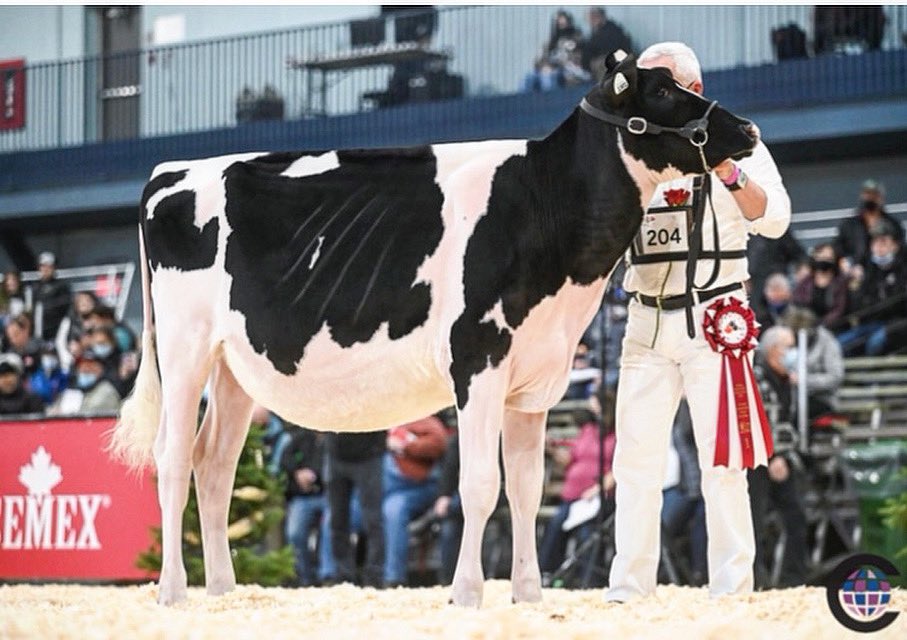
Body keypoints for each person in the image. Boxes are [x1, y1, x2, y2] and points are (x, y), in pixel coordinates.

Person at [606, 42, 792, 603]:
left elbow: (776, 220)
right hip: (645, 320)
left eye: (663, 86)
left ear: (694, 89)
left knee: (723, 461)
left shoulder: (742, 141)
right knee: (635, 462)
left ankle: (731, 588)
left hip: (717, 317)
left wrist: (729, 169)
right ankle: (629, 588)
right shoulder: (631, 148)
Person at [539, 404, 616, 581]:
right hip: (572, 496)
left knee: (587, 534)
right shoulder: (588, 430)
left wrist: (597, 489)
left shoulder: (616, 436)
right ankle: (547, 574)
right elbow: (569, 459)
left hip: (597, 498)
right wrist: (550, 448)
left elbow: (617, 469)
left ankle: (587, 581)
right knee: (555, 527)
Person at [382, 414, 447, 587]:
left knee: (394, 511)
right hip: (379, 489)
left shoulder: (425, 420)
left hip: (413, 487)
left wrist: (406, 445)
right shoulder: (385, 420)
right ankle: (336, 575)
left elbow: (439, 442)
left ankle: (393, 578)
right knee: (343, 513)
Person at [324, 430, 387, 587]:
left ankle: (374, 576)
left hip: (369, 455)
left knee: (373, 521)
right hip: (336, 454)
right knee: (337, 520)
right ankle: (343, 576)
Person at [837, 221, 907, 356]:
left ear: (895, 245)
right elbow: (858, 308)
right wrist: (855, 285)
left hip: (898, 324)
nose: (878, 248)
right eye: (875, 243)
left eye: (883, 242)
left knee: (875, 342)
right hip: (872, 323)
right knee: (840, 344)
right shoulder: (867, 270)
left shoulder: (903, 268)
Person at [280, 425, 335, 587]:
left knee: (331, 527)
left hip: (330, 496)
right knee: (295, 532)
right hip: (303, 496)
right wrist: (298, 473)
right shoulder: (301, 436)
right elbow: (285, 458)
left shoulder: (336, 438)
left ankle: (327, 575)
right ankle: (304, 577)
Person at [661, 399, 707, 587]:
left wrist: (687, 399)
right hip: (679, 486)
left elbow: (690, 433)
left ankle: (699, 576)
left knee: (702, 525)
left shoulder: (687, 410)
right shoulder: (662, 413)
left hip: (693, 485)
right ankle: (665, 577)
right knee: (659, 528)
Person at [833, 180, 904, 279]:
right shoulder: (849, 224)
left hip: (886, 273)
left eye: (874, 195)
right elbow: (838, 248)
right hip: (855, 274)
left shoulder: (893, 224)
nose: (870, 198)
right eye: (867, 194)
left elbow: (900, 250)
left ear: (881, 198)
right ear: (862, 196)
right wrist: (845, 263)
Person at [746, 228, 805, 322]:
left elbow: (797, 253)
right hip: (754, 280)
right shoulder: (743, 231)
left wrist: (802, 268)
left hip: (778, 276)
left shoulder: (778, 227)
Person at [49, 347, 121, 416]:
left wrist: (63, 414)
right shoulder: (71, 392)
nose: (85, 370)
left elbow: (92, 414)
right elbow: (52, 412)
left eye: (90, 366)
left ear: (100, 370)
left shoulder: (106, 391)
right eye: (81, 366)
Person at [792, 243, 849, 329]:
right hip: (807, 325)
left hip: (833, 327)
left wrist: (821, 325)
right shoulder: (807, 280)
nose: (824, 261)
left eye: (828, 258)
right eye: (820, 256)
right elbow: (797, 301)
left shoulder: (840, 282)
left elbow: (838, 310)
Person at [581, 8, 633, 82]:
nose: (591, 22)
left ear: (601, 17)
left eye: (593, 18)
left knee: (601, 63)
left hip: (618, 57)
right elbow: (590, 47)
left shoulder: (612, 30)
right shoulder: (597, 30)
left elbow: (609, 49)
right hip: (606, 57)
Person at [30, 252, 72, 342]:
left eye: (49, 266)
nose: (46, 269)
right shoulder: (34, 287)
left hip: (56, 331)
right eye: (43, 266)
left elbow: (65, 306)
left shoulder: (62, 286)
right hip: (37, 331)